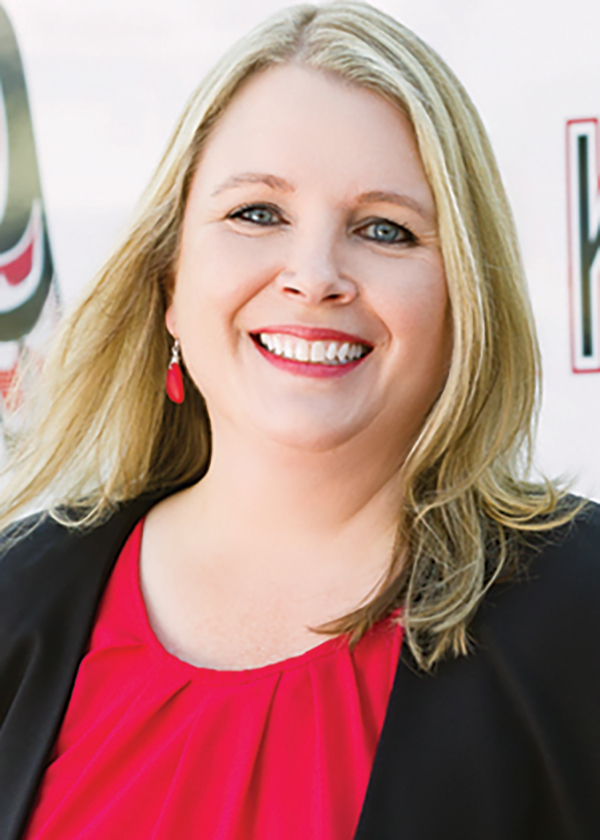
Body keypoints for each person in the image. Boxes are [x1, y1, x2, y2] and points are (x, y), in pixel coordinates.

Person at [0, 2, 599, 838]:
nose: (314, 276)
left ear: (465, 298)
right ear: (170, 283)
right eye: (256, 214)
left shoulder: (583, 617)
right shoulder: (17, 600)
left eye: (384, 230)